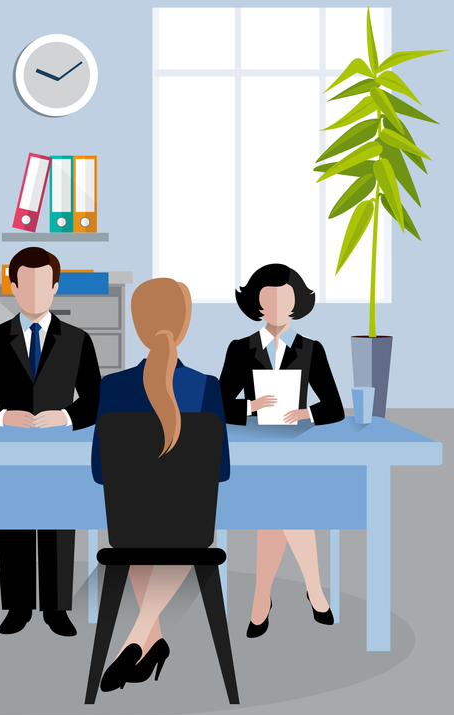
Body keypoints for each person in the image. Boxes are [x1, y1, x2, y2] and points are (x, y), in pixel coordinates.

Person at [92, 278, 230, 693]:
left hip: (128, 530)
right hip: (191, 530)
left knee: (140, 532)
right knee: (175, 531)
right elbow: (220, 471)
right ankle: (146, 639)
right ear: (184, 325)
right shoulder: (208, 387)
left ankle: (140, 639)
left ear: (137, 326)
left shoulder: (111, 387)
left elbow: (101, 471)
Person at [0, 247, 101, 637]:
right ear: (14, 286)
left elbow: (95, 400)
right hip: (10, 454)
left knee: (58, 528)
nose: (36, 292)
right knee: (13, 526)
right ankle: (18, 607)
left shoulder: (77, 339)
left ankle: (56, 608)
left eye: (44, 284)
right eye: (27, 284)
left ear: (56, 287)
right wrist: (5, 417)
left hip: (61, 455)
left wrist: (68, 416)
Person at [219, 263, 344, 638]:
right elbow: (219, 404)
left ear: (297, 303)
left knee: (277, 512)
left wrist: (307, 411)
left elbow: (335, 407)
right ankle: (315, 591)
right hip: (255, 451)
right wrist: (250, 408)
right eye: (268, 299)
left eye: (284, 299)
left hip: (296, 449)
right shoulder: (240, 349)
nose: (276, 307)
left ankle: (261, 600)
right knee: (285, 510)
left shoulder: (311, 349)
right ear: (256, 304)